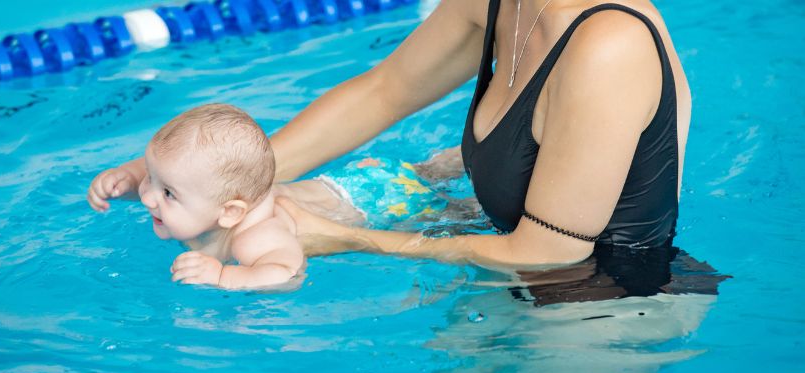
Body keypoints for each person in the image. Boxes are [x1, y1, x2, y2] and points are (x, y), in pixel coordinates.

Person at [106, 0, 692, 270]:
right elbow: (382, 91)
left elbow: (553, 253)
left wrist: (344, 238)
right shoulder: (502, 2)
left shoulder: (608, 45)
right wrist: (208, 174)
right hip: (500, 269)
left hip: (604, 308)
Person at [86, 104, 469, 289]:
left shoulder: (257, 236)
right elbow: (173, 176)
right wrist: (126, 178)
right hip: (358, 178)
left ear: (230, 213)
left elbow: (288, 273)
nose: (148, 196)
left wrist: (225, 275)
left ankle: (473, 160)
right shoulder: (210, 199)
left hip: (384, 200)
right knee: (428, 170)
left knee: (461, 210)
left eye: (167, 192)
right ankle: (460, 157)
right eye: (150, 179)